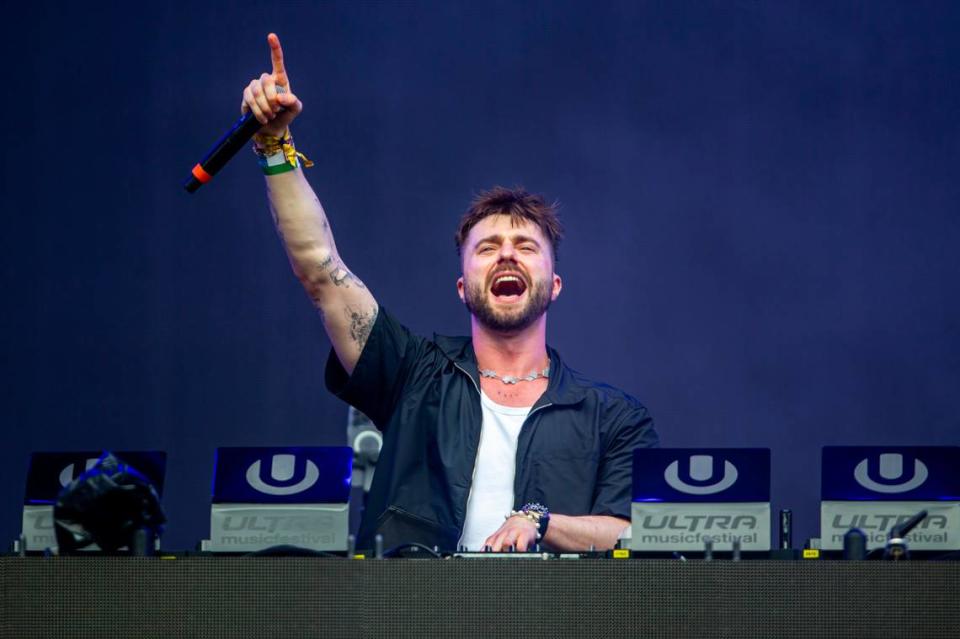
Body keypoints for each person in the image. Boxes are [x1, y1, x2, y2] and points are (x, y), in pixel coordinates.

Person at [241, 34, 658, 552]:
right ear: (463, 287)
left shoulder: (611, 416)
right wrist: (275, 147)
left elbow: (635, 535)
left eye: (525, 245)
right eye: (488, 247)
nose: (506, 254)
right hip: (417, 617)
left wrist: (541, 522)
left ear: (554, 286)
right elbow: (322, 272)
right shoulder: (415, 375)